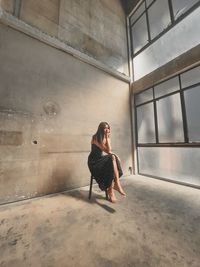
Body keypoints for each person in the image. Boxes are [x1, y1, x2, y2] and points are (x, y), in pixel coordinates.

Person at [88, 122, 126, 203]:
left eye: (108, 128)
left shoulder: (106, 138)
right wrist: (107, 138)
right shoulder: (95, 137)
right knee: (112, 157)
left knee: (112, 157)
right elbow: (108, 151)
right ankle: (113, 188)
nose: (107, 130)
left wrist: (115, 154)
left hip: (100, 159)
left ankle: (114, 186)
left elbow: (109, 151)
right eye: (105, 128)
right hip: (94, 162)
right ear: (101, 129)